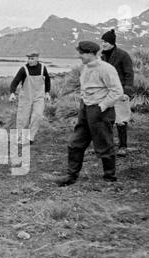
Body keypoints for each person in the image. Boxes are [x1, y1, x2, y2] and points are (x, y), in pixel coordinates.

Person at [52, 41, 123, 187]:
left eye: (82, 53)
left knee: (104, 143)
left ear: (91, 53)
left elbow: (117, 91)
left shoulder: (106, 69)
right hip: (85, 108)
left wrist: (102, 106)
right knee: (75, 143)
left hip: (101, 110)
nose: (80, 56)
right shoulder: (85, 68)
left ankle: (110, 177)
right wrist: (84, 103)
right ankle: (71, 176)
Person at [100, 29, 134, 157]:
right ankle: (106, 146)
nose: (103, 44)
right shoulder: (101, 56)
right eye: (102, 41)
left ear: (112, 42)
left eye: (106, 42)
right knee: (104, 119)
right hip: (105, 92)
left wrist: (127, 92)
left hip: (120, 92)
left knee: (121, 119)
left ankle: (123, 146)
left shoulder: (123, 55)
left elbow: (129, 74)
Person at [9, 52, 51, 145]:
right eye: (29, 59)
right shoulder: (23, 69)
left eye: (32, 59)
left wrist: (47, 92)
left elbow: (47, 79)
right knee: (23, 119)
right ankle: (20, 138)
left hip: (39, 96)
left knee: (38, 116)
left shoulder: (43, 68)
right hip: (26, 97)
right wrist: (12, 93)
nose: (30, 61)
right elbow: (15, 81)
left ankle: (30, 137)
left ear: (37, 59)